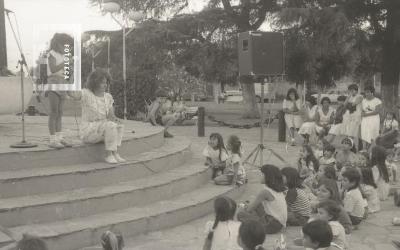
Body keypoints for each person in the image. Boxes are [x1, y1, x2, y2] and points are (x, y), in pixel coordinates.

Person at [68, 69, 125, 164]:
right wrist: (73, 76)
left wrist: (117, 120)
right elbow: (71, 93)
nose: (105, 85)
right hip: (88, 130)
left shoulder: (108, 97)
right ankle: (108, 155)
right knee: (110, 125)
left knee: (117, 126)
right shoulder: (86, 93)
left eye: (106, 83)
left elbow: (111, 116)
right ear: (94, 83)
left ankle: (115, 152)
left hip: (101, 129)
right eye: (102, 83)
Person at [237, 165, 287, 234]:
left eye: (262, 174)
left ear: (268, 177)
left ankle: (256, 225)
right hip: (280, 223)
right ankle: (257, 220)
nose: (260, 176)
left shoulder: (265, 192)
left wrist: (244, 207)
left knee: (240, 215)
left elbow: (249, 209)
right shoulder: (278, 189)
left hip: (272, 225)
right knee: (258, 205)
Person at [46, 33, 74, 149]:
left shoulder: (66, 55)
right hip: (54, 82)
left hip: (63, 83)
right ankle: (52, 139)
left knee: (60, 112)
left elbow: (68, 74)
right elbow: (53, 69)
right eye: (65, 46)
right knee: (54, 112)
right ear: (58, 44)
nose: (67, 49)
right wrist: (66, 63)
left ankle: (59, 138)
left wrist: (70, 69)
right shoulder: (52, 54)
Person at [343, 84, 363, 151]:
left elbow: (353, 105)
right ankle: (352, 148)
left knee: (356, 133)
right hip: (350, 116)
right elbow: (344, 105)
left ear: (356, 90)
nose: (351, 92)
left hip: (357, 116)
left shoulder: (360, 96)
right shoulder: (350, 97)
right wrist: (348, 96)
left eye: (352, 90)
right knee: (350, 133)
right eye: (350, 90)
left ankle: (359, 148)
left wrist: (349, 105)